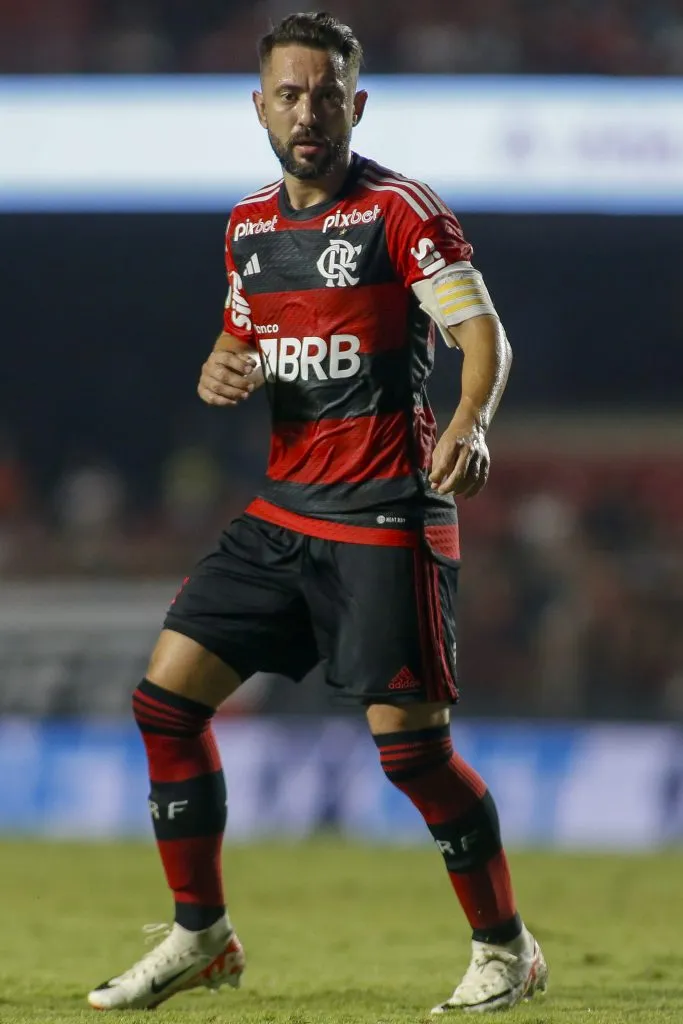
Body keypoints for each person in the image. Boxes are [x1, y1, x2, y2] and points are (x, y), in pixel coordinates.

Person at [87, 11, 548, 1014]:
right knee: (163, 704)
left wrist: (468, 425)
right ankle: (200, 934)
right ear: (259, 105)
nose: (308, 112)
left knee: (411, 754)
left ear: (356, 102)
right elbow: (243, 341)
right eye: (290, 95)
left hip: (385, 514)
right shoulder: (247, 228)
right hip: (282, 515)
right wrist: (222, 367)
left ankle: (505, 948)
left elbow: (485, 338)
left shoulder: (399, 211)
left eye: (326, 94)